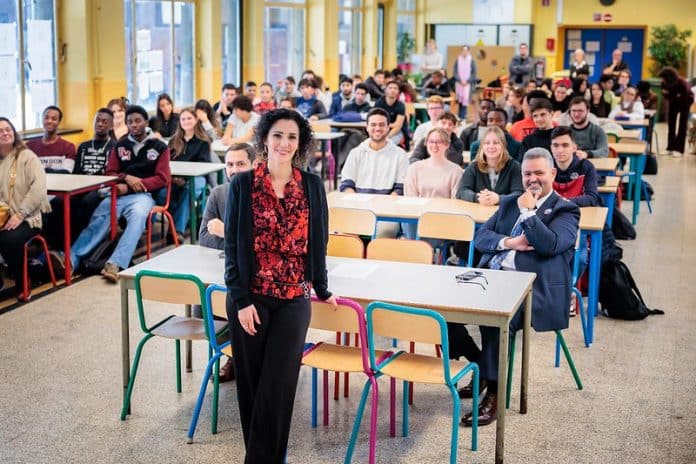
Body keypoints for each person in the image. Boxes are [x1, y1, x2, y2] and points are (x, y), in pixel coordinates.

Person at [223, 108, 337, 463]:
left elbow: (318, 242)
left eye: (292, 137)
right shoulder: (243, 184)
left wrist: (321, 287)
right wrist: (240, 300)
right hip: (250, 299)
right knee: (253, 389)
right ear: (264, 139)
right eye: (278, 135)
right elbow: (231, 246)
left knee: (278, 387)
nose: (284, 143)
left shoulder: (313, 186)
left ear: (300, 143)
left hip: (292, 300)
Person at [457, 147, 579, 427]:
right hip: (494, 278)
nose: (532, 179)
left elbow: (549, 245)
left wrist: (530, 213)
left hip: (534, 289)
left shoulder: (566, 209)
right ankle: (482, 366)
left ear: (553, 173)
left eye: (539, 172)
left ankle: (494, 396)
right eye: (527, 173)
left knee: (499, 320)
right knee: (443, 309)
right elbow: (481, 237)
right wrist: (509, 242)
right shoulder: (510, 201)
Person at [60, 105, 170, 282]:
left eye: (137, 121)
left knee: (137, 218)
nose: (134, 125)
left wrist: (137, 184)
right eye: (130, 122)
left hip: (145, 196)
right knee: (100, 218)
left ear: (146, 122)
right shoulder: (120, 146)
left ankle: (115, 263)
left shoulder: (159, 147)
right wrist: (126, 177)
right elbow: (110, 172)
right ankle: (72, 258)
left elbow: (162, 178)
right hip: (118, 194)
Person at [198, 143, 255, 383]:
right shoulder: (219, 194)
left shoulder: (263, 195)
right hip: (225, 268)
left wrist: (227, 232)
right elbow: (205, 238)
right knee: (211, 292)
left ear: (255, 166)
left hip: (256, 273)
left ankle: (246, 357)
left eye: (241, 164)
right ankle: (230, 354)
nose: (234, 170)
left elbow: (262, 243)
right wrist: (237, 239)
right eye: (229, 165)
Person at [0, 117, 51, 300]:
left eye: (8, 129)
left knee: (8, 239)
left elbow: (39, 189)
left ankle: (23, 281)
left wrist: (20, 214)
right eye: (0, 131)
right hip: (3, 217)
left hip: (29, 217)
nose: (5, 133)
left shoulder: (26, 156)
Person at [164, 108, 212, 237]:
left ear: (196, 120)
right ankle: (176, 225)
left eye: (189, 118)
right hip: (174, 179)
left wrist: (185, 179)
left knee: (188, 191)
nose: (186, 121)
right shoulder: (173, 141)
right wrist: (174, 178)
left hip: (197, 178)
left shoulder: (203, 141)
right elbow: (166, 163)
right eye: (183, 119)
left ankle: (176, 231)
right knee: (163, 193)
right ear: (179, 122)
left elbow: (203, 164)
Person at [457, 126, 523, 205]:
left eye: (496, 142)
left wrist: (499, 199)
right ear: (482, 146)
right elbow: (462, 191)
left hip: (504, 214)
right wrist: (478, 197)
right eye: (487, 143)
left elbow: (519, 193)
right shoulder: (474, 166)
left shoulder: (514, 166)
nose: (491, 146)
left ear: (503, 145)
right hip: (478, 213)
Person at [405, 127, 463, 200]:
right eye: (431, 141)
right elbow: (410, 198)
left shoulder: (456, 171)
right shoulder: (414, 168)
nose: (434, 145)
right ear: (426, 143)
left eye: (439, 142)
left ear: (447, 144)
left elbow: (455, 201)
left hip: (444, 210)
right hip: (419, 210)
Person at [26, 105, 76, 173]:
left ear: (59, 122)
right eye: (46, 118)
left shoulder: (69, 147)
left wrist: (43, 170)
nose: (49, 121)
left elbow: (66, 172)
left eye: (54, 119)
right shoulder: (30, 146)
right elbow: (27, 171)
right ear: (42, 120)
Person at [659, 66, 694, 157]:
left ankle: (679, 149)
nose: (662, 80)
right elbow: (665, 94)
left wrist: (673, 96)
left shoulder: (682, 83)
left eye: (664, 78)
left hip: (685, 102)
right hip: (673, 102)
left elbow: (687, 95)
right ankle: (670, 148)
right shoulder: (664, 82)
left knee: (682, 125)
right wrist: (668, 95)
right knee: (671, 124)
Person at [373, 80, 406, 146]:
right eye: (390, 88)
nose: (392, 90)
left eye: (395, 88)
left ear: (398, 91)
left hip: (395, 132)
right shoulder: (379, 103)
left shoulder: (401, 105)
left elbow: (398, 126)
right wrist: (392, 124)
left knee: (389, 143)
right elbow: (376, 122)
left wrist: (386, 137)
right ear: (386, 90)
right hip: (380, 129)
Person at [453, 45, 477, 119]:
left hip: (468, 85)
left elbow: (474, 73)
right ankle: (460, 117)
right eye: (463, 50)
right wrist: (460, 80)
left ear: (469, 51)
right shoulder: (457, 60)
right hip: (459, 84)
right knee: (459, 102)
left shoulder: (472, 61)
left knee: (465, 102)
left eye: (466, 50)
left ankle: (463, 117)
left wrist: (467, 81)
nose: (464, 52)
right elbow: (455, 72)